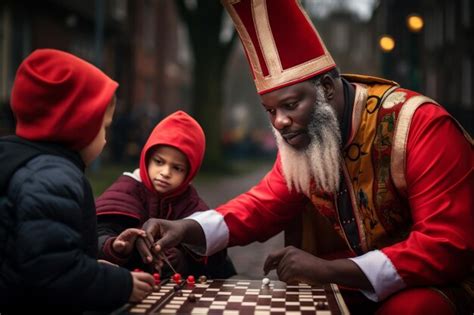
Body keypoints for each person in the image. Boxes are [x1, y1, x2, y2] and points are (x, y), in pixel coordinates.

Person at [139, 1, 473, 314]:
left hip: (433, 282)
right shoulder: (309, 138)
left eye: (290, 105)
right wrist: (185, 228)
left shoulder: (419, 125)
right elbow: (262, 205)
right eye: (270, 110)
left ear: (327, 88)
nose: (280, 122)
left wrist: (329, 269)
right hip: (355, 276)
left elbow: (446, 245)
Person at [0, 49, 155, 314]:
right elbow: (54, 275)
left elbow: (35, 253)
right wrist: (121, 285)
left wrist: (89, 266)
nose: (106, 139)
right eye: (103, 128)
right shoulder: (52, 179)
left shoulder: (19, 160)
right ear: (76, 125)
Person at [95, 110, 236, 279]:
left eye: (177, 168)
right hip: (125, 288)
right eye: (159, 162)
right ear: (147, 158)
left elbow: (214, 257)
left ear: (190, 172)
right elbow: (95, 236)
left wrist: (183, 261)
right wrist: (114, 247)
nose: (165, 172)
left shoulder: (190, 203)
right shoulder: (126, 189)